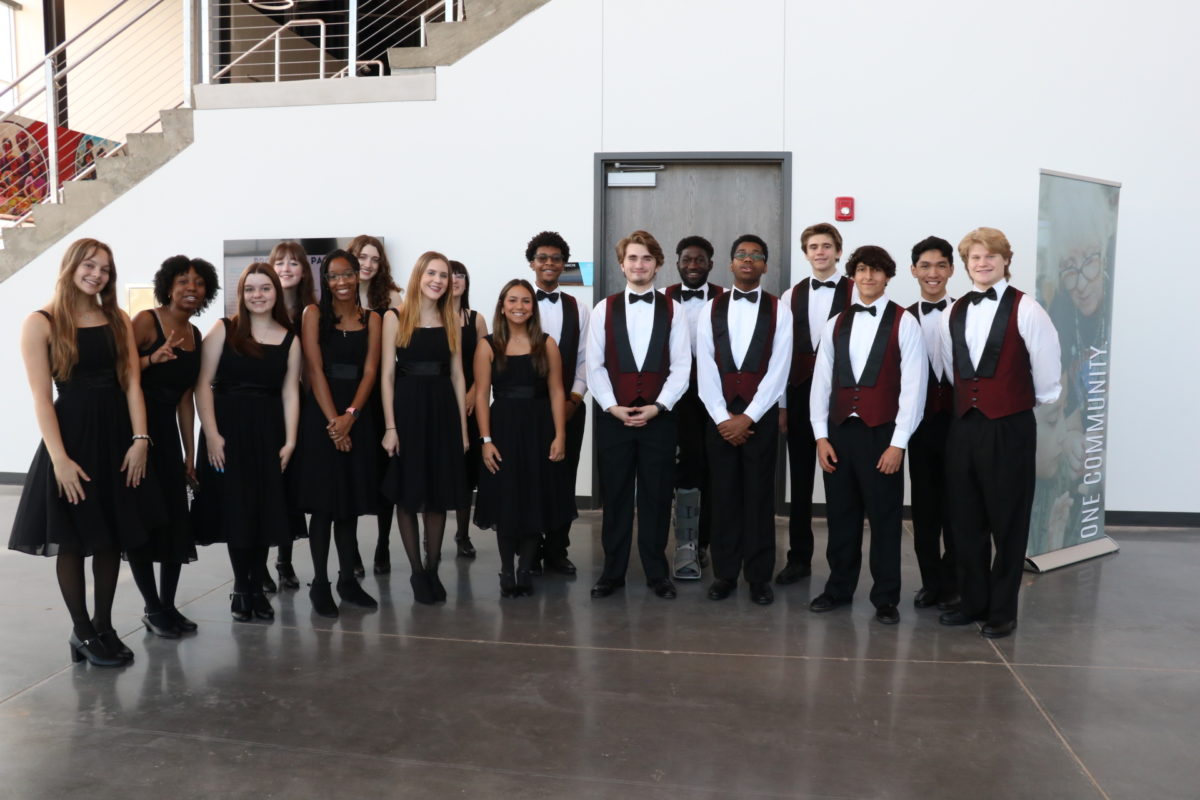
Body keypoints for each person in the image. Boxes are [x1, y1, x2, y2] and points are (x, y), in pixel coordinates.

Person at [9, 238, 158, 667]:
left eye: (106, 269)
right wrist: (59, 459)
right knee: (72, 541)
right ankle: (82, 631)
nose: (97, 274)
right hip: (70, 440)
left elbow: (132, 383)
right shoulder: (41, 322)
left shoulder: (117, 319)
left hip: (116, 438)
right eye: (90, 265)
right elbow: (41, 398)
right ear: (71, 266)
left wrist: (140, 440)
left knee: (111, 536)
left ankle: (105, 625)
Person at [938, 227, 1061, 639]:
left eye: (991, 256)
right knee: (965, 520)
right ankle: (973, 602)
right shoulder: (952, 312)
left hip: (1009, 426)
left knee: (1008, 522)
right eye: (975, 257)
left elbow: (1047, 375)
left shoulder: (1028, 309)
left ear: (1006, 261)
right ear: (966, 264)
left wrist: (1013, 404)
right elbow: (948, 366)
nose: (983, 263)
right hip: (964, 428)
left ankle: (1002, 610)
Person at [808, 246, 927, 624]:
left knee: (885, 518)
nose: (868, 277)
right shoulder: (836, 324)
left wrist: (899, 443)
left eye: (876, 271)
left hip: (883, 437)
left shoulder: (905, 322)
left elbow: (914, 388)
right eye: (861, 270)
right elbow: (820, 384)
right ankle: (838, 589)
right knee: (841, 517)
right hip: (840, 434)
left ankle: (886, 597)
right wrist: (820, 437)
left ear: (888, 276)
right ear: (853, 275)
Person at [191, 263, 303, 623]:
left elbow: (290, 393)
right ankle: (242, 588)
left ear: (276, 292)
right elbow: (202, 384)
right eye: (251, 289)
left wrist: (290, 441)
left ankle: (256, 586)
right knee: (238, 511)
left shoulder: (289, 337)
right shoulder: (224, 330)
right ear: (241, 293)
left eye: (265, 288)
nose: (258, 295)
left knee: (263, 511)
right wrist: (211, 434)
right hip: (227, 434)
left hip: (269, 433)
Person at [586, 230, 691, 599]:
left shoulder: (673, 309)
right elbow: (594, 365)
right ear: (621, 264)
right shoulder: (603, 308)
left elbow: (681, 365)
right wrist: (612, 406)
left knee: (657, 497)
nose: (639, 264)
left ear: (657, 265)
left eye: (646, 258)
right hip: (613, 418)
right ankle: (612, 573)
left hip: (659, 419)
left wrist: (659, 406)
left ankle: (656, 572)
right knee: (614, 497)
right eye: (632, 258)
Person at [696, 235, 793, 606]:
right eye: (741, 255)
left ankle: (758, 577)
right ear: (731, 264)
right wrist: (723, 417)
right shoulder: (711, 308)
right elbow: (704, 365)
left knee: (758, 496)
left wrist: (749, 415)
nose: (748, 260)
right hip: (718, 417)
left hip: (760, 417)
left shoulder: (779, 309)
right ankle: (724, 574)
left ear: (765, 265)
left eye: (756, 255)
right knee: (722, 496)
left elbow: (779, 368)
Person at [127, 254, 220, 638]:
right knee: (144, 521)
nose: (191, 288)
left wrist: (190, 454)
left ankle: (167, 605)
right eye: (183, 281)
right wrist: (152, 358)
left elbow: (185, 399)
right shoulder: (147, 321)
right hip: (137, 432)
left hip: (167, 434)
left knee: (173, 519)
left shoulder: (196, 336)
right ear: (168, 285)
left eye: (198, 283)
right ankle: (151, 607)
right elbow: (122, 371)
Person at [289, 250, 382, 617]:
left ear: (358, 276)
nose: (340, 282)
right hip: (322, 418)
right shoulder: (313, 314)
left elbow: (371, 371)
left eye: (347, 274)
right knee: (325, 507)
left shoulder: (372, 318)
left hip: (357, 416)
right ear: (324, 281)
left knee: (349, 507)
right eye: (332, 276)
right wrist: (334, 422)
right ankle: (320, 585)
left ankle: (348, 581)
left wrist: (351, 417)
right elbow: (314, 369)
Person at [473, 279, 573, 596]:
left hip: (539, 428)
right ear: (502, 305)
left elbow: (558, 392)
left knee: (534, 498)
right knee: (507, 500)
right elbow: (481, 396)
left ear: (533, 307)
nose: (519, 306)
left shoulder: (547, 343)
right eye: (513, 300)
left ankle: (525, 568)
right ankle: (506, 569)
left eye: (526, 301)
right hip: (503, 428)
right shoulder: (488, 345)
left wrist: (560, 435)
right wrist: (486, 440)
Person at [380, 252, 469, 605]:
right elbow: (387, 376)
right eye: (431, 273)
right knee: (409, 491)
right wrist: (390, 426)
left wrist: (463, 429)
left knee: (437, 495)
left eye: (444, 275)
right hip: (408, 408)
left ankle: (433, 569)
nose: (437, 280)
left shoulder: (452, 317)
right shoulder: (395, 317)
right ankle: (417, 573)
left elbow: (459, 375)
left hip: (443, 409)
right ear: (418, 276)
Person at [778, 222, 855, 587]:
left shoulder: (858, 291)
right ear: (805, 253)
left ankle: (841, 563)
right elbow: (779, 356)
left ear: (838, 252)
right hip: (797, 395)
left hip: (840, 400)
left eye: (827, 246)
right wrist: (780, 405)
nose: (820, 252)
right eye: (813, 246)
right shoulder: (790, 295)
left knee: (839, 481)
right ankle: (798, 558)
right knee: (801, 480)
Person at [528, 231, 589, 576]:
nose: (549, 263)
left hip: (569, 407)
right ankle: (529, 548)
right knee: (531, 476)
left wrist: (574, 399)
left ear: (564, 265)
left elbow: (585, 360)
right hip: (528, 409)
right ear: (532, 263)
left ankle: (557, 550)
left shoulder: (579, 308)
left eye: (555, 258)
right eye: (542, 258)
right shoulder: (517, 302)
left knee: (563, 478)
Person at [663, 235, 724, 579]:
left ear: (710, 264)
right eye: (687, 259)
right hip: (676, 396)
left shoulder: (726, 299)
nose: (692, 266)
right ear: (677, 262)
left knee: (713, 466)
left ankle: (706, 542)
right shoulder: (662, 298)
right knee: (685, 467)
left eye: (699, 260)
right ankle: (684, 543)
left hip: (714, 394)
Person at [905, 236, 959, 610]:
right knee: (924, 508)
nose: (933, 273)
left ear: (952, 270)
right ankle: (930, 582)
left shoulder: (968, 311)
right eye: (925, 266)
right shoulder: (902, 318)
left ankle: (955, 580)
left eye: (941, 265)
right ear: (913, 271)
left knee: (959, 507)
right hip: (920, 425)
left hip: (960, 425)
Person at [348, 234, 403, 574]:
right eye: (362, 257)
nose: (367, 263)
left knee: (385, 472)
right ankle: (351, 551)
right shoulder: (338, 293)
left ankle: (383, 544)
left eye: (374, 258)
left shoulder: (393, 296)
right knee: (352, 473)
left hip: (384, 392)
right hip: (350, 391)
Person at [268, 241, 319, 589]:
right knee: (264, 486)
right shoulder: (257, 307)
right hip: (265, 407)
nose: (286, 268)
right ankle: (257, 566)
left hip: (301, 406)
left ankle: (283, 560)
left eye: (293, 263)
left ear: (303, 270)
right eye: (280, 263)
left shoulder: (312, 311)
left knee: (291, 487)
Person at [450, 260, 488, 559]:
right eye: (450, 275)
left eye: (460, 274)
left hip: (470, 407)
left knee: (464, 474)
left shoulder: (475, 319)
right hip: (438, 405)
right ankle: (430, 539)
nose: (455, 280)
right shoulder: (428, 319)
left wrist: (473, 395)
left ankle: (462, 535)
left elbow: (483, 366)